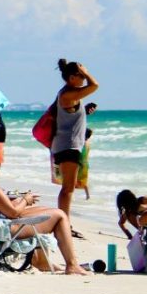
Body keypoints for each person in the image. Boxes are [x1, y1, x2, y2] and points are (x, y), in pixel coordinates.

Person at [0, 143, 85, 274]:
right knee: (60, 215)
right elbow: (13, 213)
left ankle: (42, 261)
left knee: (42, 210)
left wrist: (18, 200)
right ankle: (72, 265)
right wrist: (26, 200)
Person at [50, 59, 99, 233]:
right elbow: (95, 86)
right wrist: (86, 72)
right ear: (72, 78)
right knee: (67, 189)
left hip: (69, 145)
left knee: (69, 187)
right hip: (68, 146)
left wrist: (84, 112)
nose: (83, 78)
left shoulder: (71, 95)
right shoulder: (67, 94)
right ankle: (63, 224)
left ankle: (63, 223)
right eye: (80, 76)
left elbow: (68, 118)